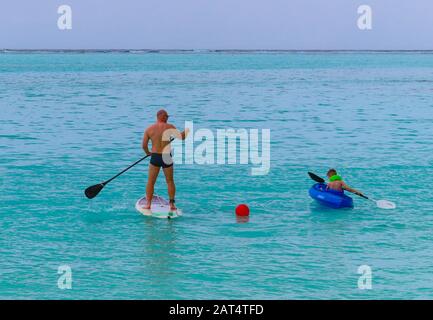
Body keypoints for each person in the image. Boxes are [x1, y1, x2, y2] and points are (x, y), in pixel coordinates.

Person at [142, 109, 188, 211]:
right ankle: (171, 205)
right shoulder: (170, 127)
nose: (167, 118)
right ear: (162, 117)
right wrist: (186, 131)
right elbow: (182, 138)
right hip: (167, 156)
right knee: (170, 181)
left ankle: (148, 204)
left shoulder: (149, 129)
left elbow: (144, 145)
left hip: (155, 156)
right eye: (167, 116)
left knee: (151, 182)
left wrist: (148, 153)